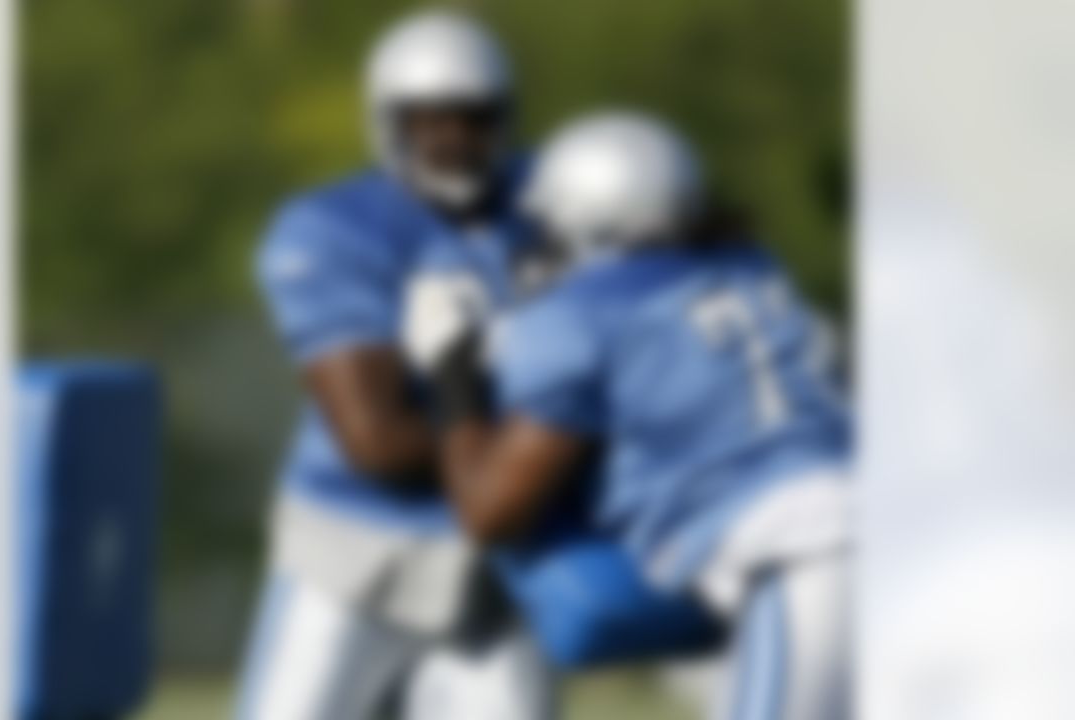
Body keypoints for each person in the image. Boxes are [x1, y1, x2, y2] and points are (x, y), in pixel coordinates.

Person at [407, 113, 852, 720]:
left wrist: (452, 381)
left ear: (588, 222)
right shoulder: (754, 274)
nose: (540, 241)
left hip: (802, 556)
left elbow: (491, 511)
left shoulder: (574, 319)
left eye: (549, 225)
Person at [238, 11, 551, 720]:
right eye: (430, 121)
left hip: (493, 570)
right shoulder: (335, 228)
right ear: (389, 123)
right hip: (357, 559)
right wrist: (545, 444)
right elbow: (375, 442)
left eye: (474, 119)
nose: (455, 141)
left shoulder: (549, 202)